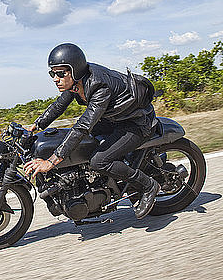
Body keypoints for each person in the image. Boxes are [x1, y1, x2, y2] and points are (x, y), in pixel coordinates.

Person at [24, 43, 161, 219]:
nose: (55, 79)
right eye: (52, 73)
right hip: (115, 119)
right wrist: (36, 126)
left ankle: (148, 185)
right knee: (84, 145)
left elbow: (83, 126)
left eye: (60, 74)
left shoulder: (98, 86)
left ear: (75, 70)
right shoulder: (76, 83)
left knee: (99, 161)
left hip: (136, 123)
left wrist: (51, 162)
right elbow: (59, 105)